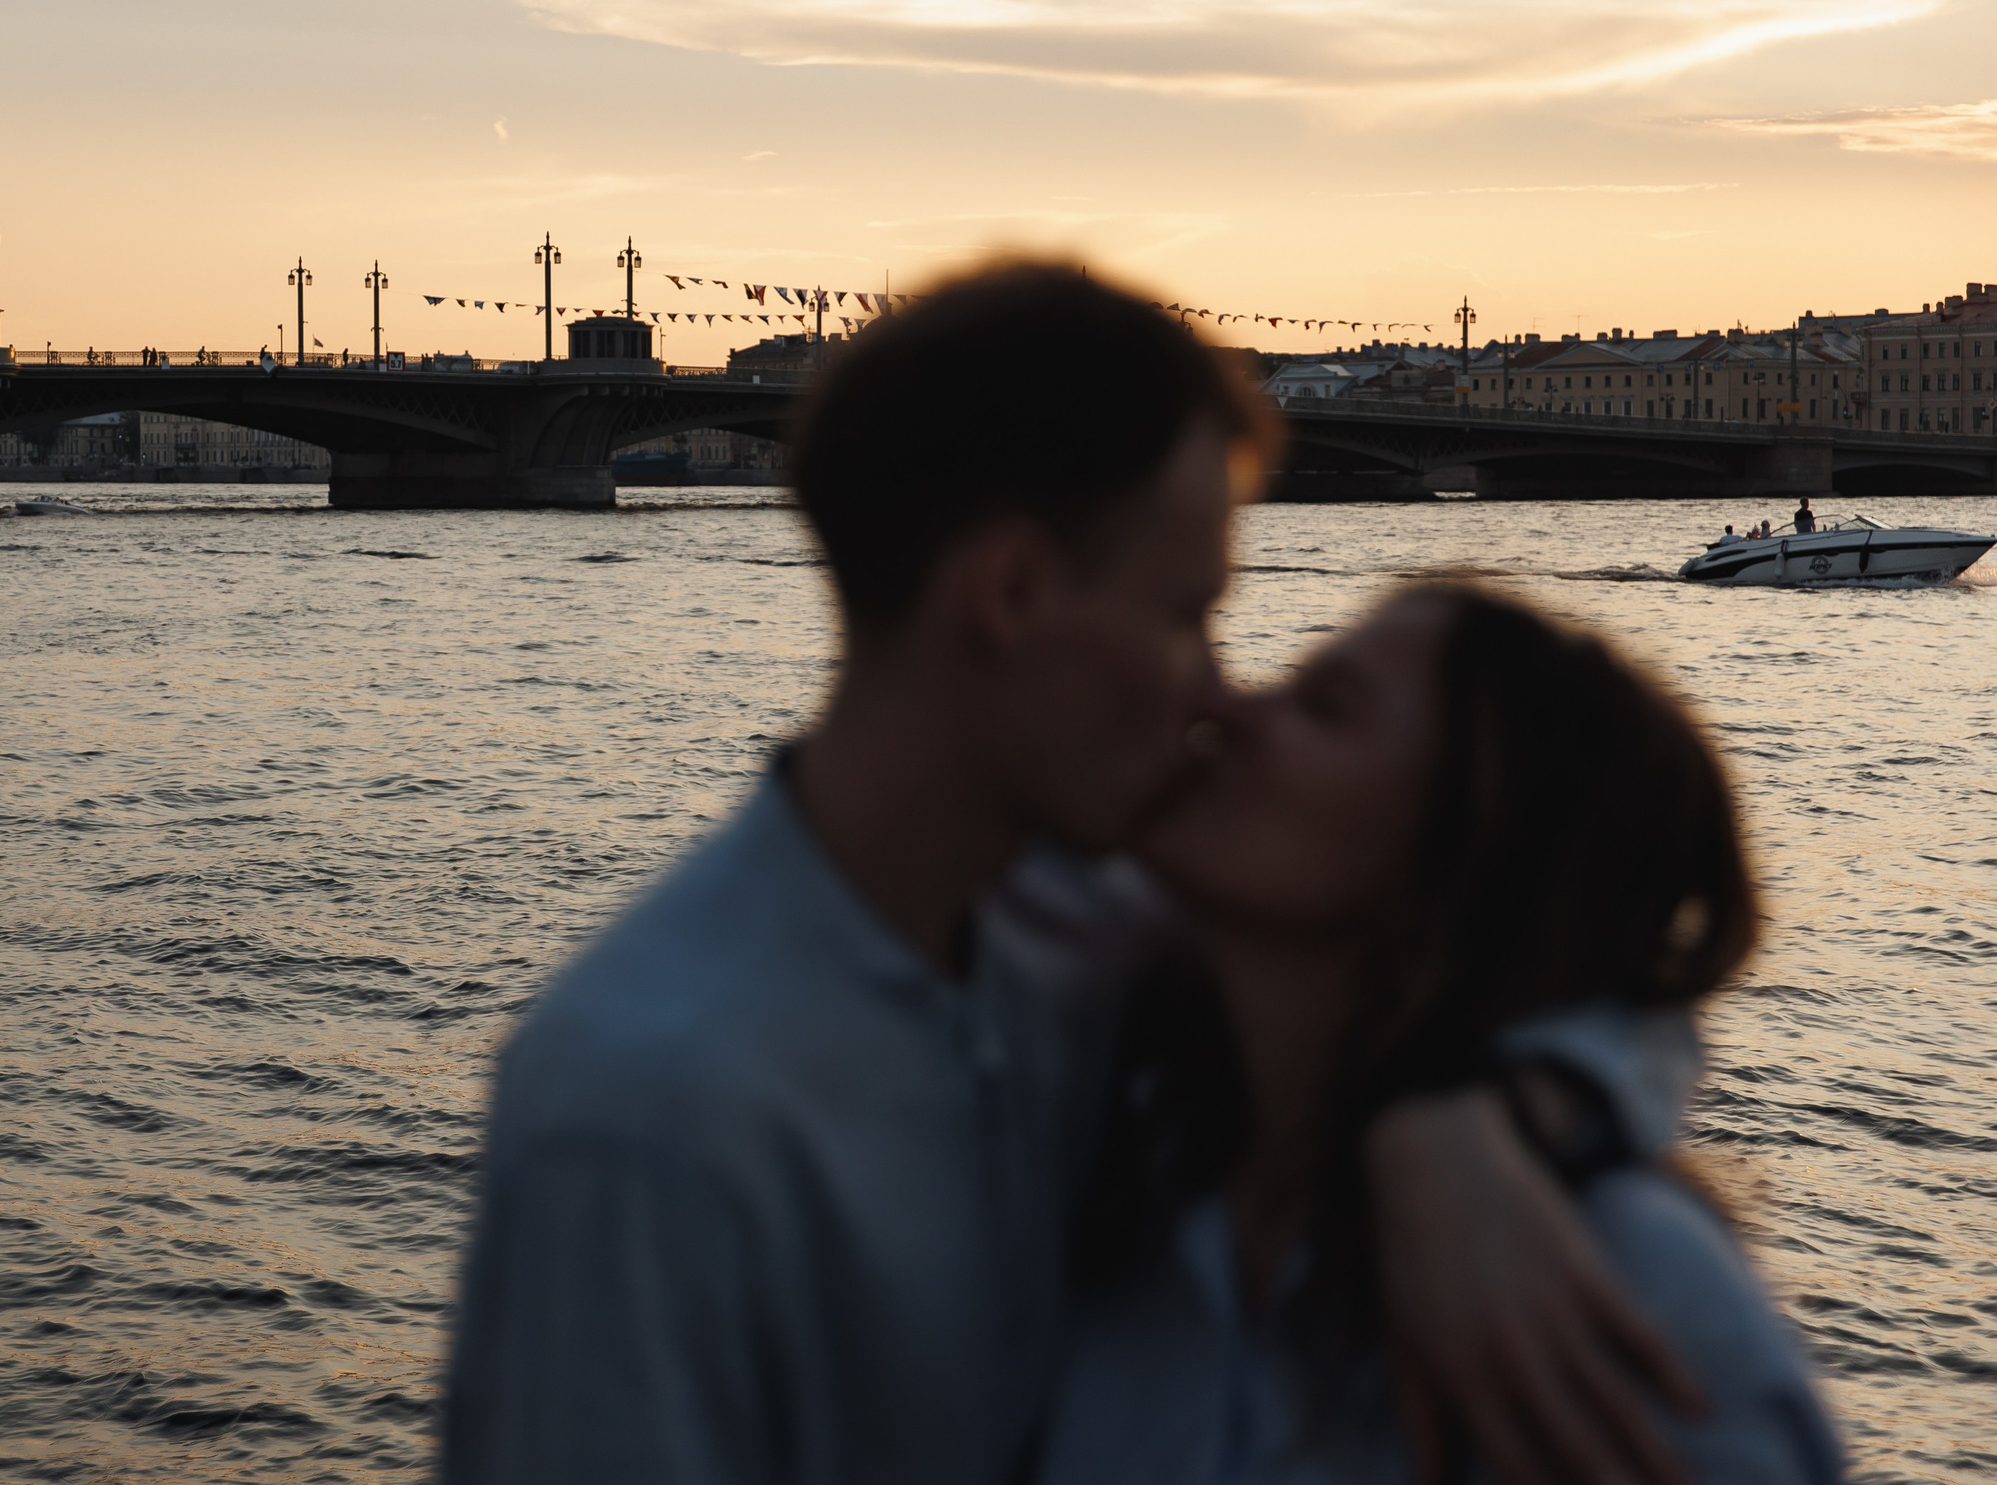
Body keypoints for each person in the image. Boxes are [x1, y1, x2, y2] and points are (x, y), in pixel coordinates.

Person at [443, 264, 1693, 1485]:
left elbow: (1580, 968)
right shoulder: (644, 1113)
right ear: (1012, 593)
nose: (1218, 693)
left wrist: (1452, 1119)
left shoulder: (1096, 924)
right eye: (1185, 614)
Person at [1042, 582, 1842, 1485]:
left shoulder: (1636, 1296)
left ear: (1465, 852)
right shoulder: (1122, 1167)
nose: (1226, 705)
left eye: (1325, 707)